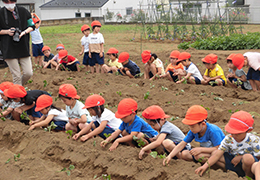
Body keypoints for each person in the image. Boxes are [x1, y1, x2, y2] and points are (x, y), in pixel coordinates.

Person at [195, 111, 260, 179]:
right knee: (215, 153)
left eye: (238, 133)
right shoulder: (229, 138)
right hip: (233, 163)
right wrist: (205, 166)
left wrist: (241, 157)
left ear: (248, 130)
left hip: (249, 166)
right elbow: (217, 154)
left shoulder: (254, 140)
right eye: (232, 132)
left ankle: (248, 177)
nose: (234, 135)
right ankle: (232, 173)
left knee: (247, 158)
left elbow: (258, 158)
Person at [0, 0, 35, 85]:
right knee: (17, 76)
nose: (9, 4)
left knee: (28, 73)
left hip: (23, 47)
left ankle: (16, 89)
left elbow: (32, 26)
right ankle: (17, 95)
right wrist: (7, 32)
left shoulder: (23, 11)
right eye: (6, 2)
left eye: (11, 1)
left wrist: (24, 32)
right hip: (8, 48)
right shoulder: (0, 13)